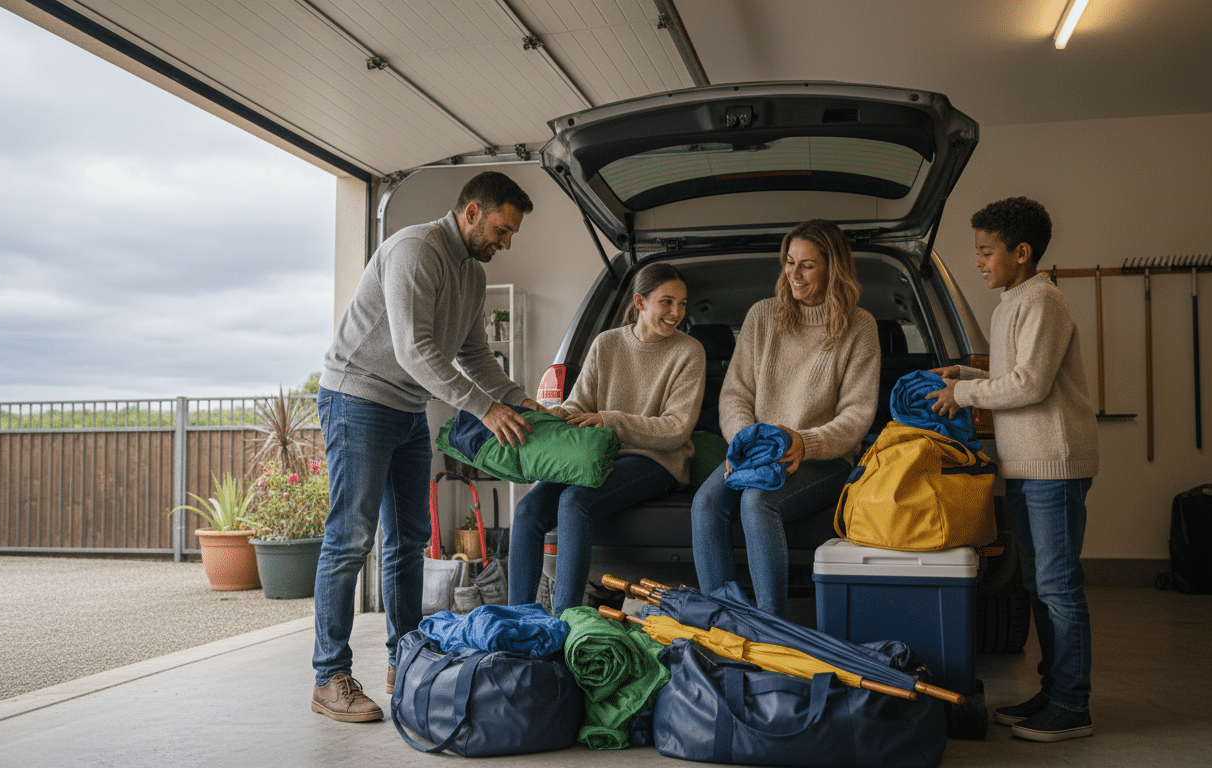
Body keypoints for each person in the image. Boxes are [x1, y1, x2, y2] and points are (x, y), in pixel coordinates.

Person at [311, 171, 547, 723]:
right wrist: (485, 409)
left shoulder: (470, 273)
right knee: (350, 539)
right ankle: (329, 678)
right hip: (357, 399)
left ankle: (406, 659)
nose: (506, 242)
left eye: (512, 233)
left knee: (410, 540)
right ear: (471, 212)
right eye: (501, 229)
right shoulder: (416, 250)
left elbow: (475, 354)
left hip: (407, 410)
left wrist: (520, 401)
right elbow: (413, 350)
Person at [925, 196, 1099, 742]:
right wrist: (965, 372)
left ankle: (1073, 706)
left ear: (1021, 253)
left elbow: (1030, 385)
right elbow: (1013, 374)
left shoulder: (1043, 300)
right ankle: (1053, 692)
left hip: (1054, 463)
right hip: (1025, 464)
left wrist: (962, 393)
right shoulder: (1011, 303)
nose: (978, 261)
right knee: (1037, 584)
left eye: (986, 251)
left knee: (1058, 587)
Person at [691, 219, 880, 618]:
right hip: (757, 450)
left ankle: (771, 625)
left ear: (833, 268)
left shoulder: (859, 325)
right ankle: (721, 622)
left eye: (807, 265)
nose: (794, 274)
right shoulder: (762, 316)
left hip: (824, 457)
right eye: (789, 262)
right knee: (706, 504)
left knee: (757, 501)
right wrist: (746, 442)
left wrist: (803, 443)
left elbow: (856, 415)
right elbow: (736, 393)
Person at [508, 263, 705, 613]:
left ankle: (566, 621)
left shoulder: (689, 351)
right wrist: (551, 415)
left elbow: (676, 429)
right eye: (667, 302)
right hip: (597, 455)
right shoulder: (607, 343)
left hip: (656, 459)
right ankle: (515, 621)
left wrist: (609, 420)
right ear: (640, 302)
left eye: (682, 304)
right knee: (527, 510)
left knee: (574, 501)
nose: (677, 312)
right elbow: (579, 405)